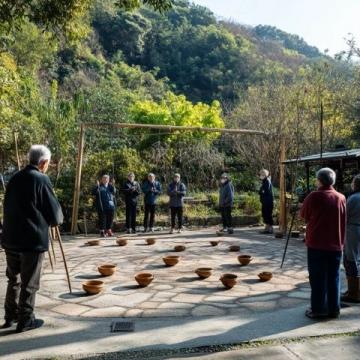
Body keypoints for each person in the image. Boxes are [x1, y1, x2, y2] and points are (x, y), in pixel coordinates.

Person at [1, 145, 63, 332]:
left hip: (11, 238)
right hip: (31, 240)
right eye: (48, 163)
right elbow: (55, 215)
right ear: (43, 163)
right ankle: (25, 319)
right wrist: (55, 219)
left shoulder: (14, 178)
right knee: (30, 282)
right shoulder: (41, 179)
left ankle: (10, 316)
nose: (48, 167)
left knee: (14, 278)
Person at [300, 167, 346, 319]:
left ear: (319, 180)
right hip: (336, 244)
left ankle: (318, 309)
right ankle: (334, 309)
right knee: (334, 277)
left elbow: (304, 216)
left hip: (317, 244)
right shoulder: (341, 197)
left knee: (317, 278)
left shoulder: (313, 196)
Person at [342, 174, 360, 303]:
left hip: (353, 230)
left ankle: (354, 293)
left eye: (353, 182)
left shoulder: (353, 198)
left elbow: (344, 216)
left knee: (350, 259)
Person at [259, 169, 274, 234]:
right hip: (265, 202)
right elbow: (262, 191)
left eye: (261, 175)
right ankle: (267, 227)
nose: (260, 176)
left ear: (264, 175)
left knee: (268, 214)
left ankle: (270, 228)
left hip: (268, 202)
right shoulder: (264, 181)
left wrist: (261, 191)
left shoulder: (267, 181)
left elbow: (264, 191)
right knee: (265, 214)